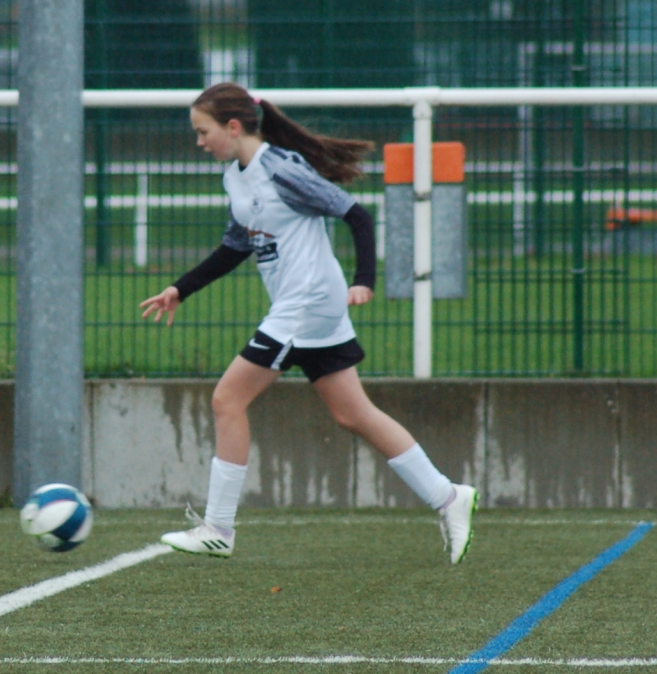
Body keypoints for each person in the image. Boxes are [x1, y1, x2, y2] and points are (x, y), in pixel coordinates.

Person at [138, 82, 477, 562]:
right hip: (307, 306)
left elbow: (357, 215)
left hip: (306, 303)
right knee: (352, 414)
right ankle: (448, 496)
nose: (199, 142)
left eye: (203, 131)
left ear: (232, 127)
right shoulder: (236, 177)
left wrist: (364, 280)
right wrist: (181, 288)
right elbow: (235, 247)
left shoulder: (282, 169)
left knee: (227, 399)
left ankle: (218, 528)